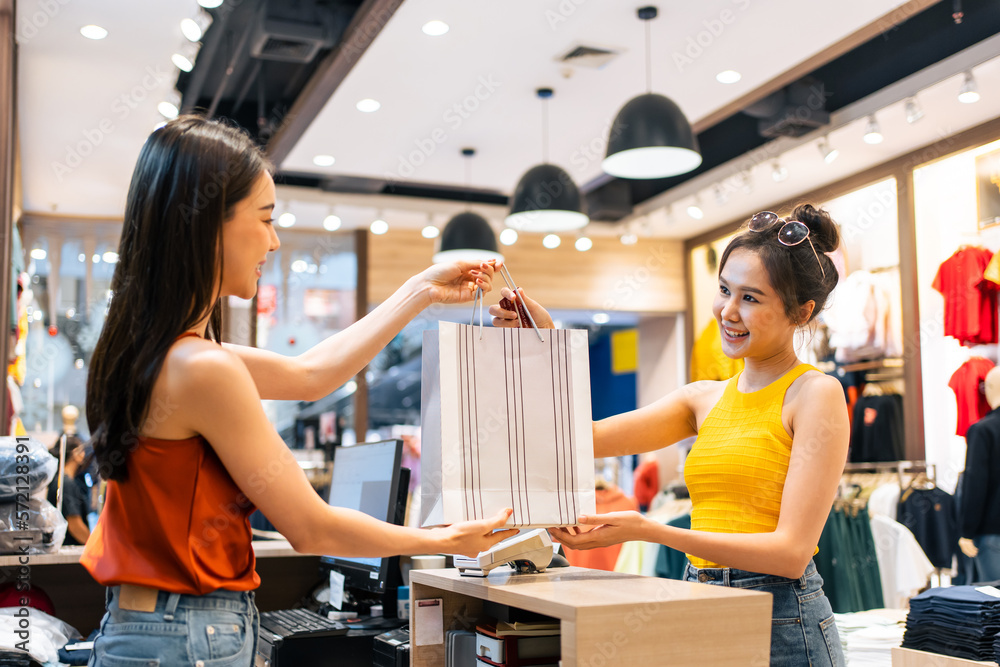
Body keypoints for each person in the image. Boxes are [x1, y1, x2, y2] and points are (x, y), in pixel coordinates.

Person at [80, 115, 517, 667]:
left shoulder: (161, 352)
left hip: (151, 627)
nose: (274, 239)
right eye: (264, 219)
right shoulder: (202, 369)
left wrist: (420, 291)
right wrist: (447, 540)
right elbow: (309, 526)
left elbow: (313, 374)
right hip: (188, 634)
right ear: (209, 223)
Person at [492, 205, 849, 666]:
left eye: (751, 298)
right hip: (699, 598)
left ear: (802, 311)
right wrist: (542, 345)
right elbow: (581, 437)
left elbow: (789, 554)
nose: (728, 311)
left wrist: (649, 530)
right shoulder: (703, 399)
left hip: (781, 619)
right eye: (724, 290)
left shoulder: (815, 393)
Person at [958, 365, 1000, 581]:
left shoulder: (983, 430)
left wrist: (967, 531)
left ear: (989, 388)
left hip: (992, 531)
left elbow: (976, 483)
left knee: (993, 603)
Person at [46, 434, 92, 545]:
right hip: (69, 546)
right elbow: (75, 526)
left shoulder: (60, 481)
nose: (84, 454)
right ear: (75, 453)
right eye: (82, 450)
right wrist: (95, 547)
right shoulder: (66, 484)